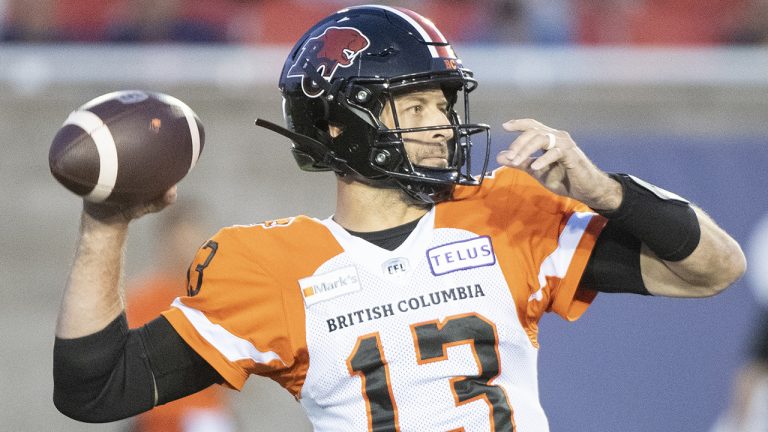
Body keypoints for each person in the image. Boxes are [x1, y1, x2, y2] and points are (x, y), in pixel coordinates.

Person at [53, 5, 746, 431]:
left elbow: (715, 269)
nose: (441, 126)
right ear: (336, 128)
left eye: (442, 105)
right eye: (413, 108)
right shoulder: (270, 269)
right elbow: (95, 390)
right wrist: (106, 225)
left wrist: (609, 193)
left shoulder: (505, 214)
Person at [123, 201, 236, 432]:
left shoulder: (218, 299)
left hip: (206, 415)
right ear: (165, 242)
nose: (189, 249)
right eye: (182, 240)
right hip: (158, 418)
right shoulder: (143, 298)